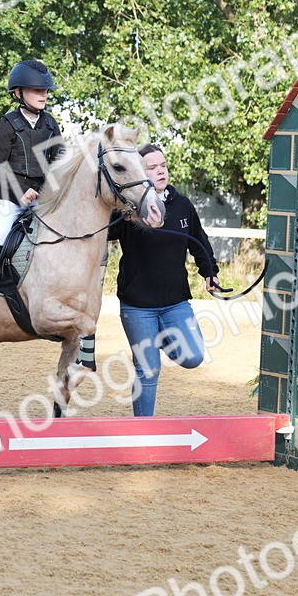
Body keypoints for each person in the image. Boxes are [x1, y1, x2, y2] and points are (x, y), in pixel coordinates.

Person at [109, 144, 220, 416]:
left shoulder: (182, 205)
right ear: (141, 173)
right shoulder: (127, 210)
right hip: (137, 306)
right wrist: (125, 215)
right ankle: (142, 433)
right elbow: (103, 233)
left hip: (175, 303)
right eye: (152, 167)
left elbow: (199, 241)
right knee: (148, 370)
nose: (160, 171)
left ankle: (159, 339)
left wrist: (209, 271)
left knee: (193, 357)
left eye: (163, 166)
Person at [0, 59, 64, 315]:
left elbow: (60, 161)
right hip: (12, 196)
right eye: (37, 91)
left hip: (44, 197)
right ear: (18, 93)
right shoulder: (8, 123)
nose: (43, 95)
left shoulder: (50, 123)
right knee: (2, 230)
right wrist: (21, 191)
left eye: (45, 91)